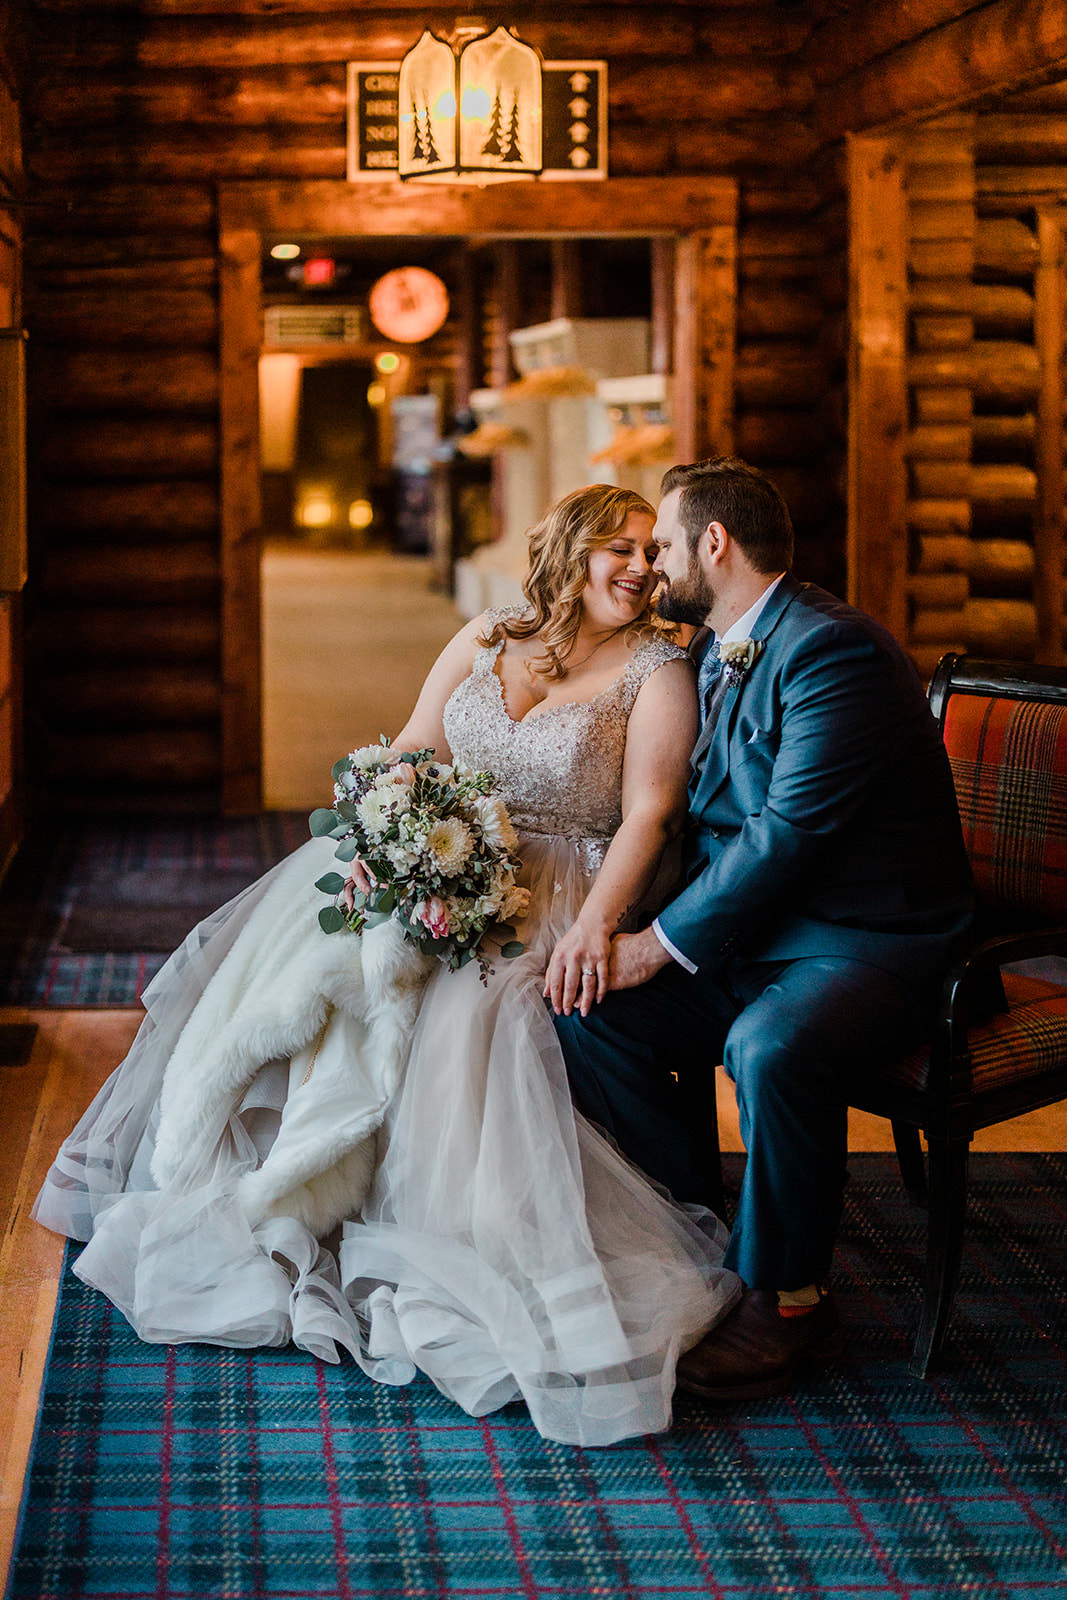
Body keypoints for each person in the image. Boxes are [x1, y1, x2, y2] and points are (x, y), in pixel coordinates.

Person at [34, 483, 741, 1448]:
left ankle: (431, 1228)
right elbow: (412, 747)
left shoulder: (658, 669)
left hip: (558, 884)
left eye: (648, 555)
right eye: (616, 548)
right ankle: (287, 1177)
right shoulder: (491, 633)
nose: (638, 569)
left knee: (462, 1009)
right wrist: (384, 836)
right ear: (568, 550)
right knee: (309, 949)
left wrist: (596, 930)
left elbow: (650, 815)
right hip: (445, 852)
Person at [555, 457, 974, 1402]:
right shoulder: (717, 645)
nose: (652, 566)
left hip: (865, 942)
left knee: (770, 1046)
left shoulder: (837, 651)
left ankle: (787, 1302)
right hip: (756, 937)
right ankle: (698, 1230)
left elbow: (789, 835)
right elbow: (698, 811)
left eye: (660, 544)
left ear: (714, 542)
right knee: (582, 1009)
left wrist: (654, 945)